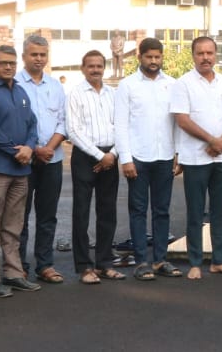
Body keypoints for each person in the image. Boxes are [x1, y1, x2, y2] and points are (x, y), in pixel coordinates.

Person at [0, 45, 43, 297]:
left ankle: (14, 273)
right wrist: (17, 151)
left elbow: (33, 124)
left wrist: (30, 147)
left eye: (12, 63)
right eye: (2, 63)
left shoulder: (21, 91)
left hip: (20, 171)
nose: (8, 67)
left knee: (14, 225)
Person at [172, 36, 222, 279]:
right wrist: (211, 140)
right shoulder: (183, 84)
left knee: (219, 211)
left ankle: (218, 260)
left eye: (209, 53)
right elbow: (182, 120)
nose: (205, 58)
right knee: (195, 211)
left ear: (215, 55)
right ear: (193, 55)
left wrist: (221, 141)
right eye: (200, 53)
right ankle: (195, 262)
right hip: (196, 158)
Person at [115, 38, 181, 280]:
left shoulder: (172, 85)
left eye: (157, 57)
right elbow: (121, 124)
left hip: (165, 156)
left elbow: (177, 123)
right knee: (138, 210)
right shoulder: (127, 85)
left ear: (162, 57)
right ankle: (142, 261)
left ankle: (160, 260)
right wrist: (126, 159)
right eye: (149, 57)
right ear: (140, 57)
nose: (153, 61)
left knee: (162, 210)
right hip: (138, 157)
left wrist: (178, 154)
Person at [65, 50, 126, 284]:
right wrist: (100, 155)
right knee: (81, 212)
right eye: (90, 66)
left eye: (99, 66)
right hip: (85, 156)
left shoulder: (113, 94)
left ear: (104, 68)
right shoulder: (75, 94)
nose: (95, 70)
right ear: (83, 68)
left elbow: (122, 126)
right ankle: (84, 266)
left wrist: (112, 154)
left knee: (107, 211)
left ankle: (104, 263)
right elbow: (73, 131)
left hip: (111, 154)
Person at [15, 35, 68, 285]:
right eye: (34, 54)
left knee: (48, 215)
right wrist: (35, 149)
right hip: (22, 162)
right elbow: (12, 125)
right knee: (19, 217)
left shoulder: (55, 86)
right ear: (24, 56)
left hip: (52, 160)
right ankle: (18, 266)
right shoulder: (14, 84)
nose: (38, 59)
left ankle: (45, 265)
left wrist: (49, 148)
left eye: (42, 55)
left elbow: (63, 121)